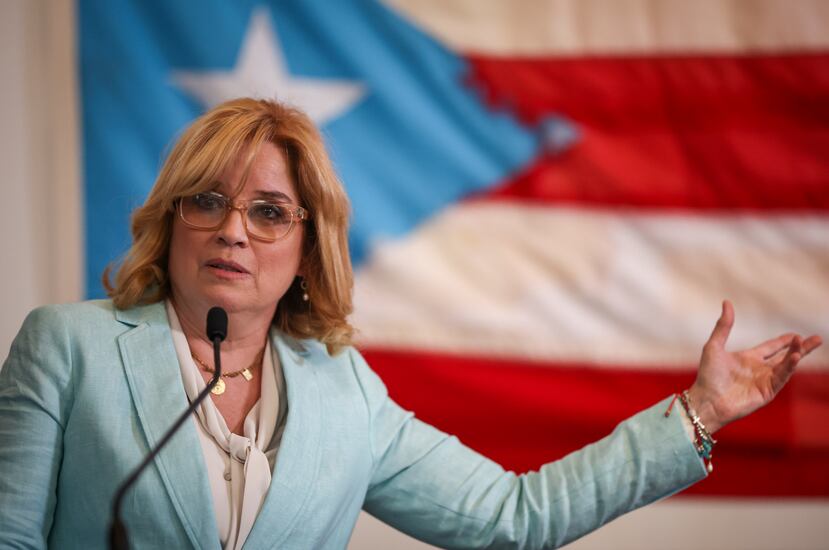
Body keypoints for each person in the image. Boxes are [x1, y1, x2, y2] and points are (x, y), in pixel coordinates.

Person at [0, 97, 821, 550]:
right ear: (173, 219)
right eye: (207, 200)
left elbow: (513, 518)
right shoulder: (69, 348)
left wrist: (700, 413)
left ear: (308, 247)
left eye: (269, 211)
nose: (234, 229)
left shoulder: (342, 391)